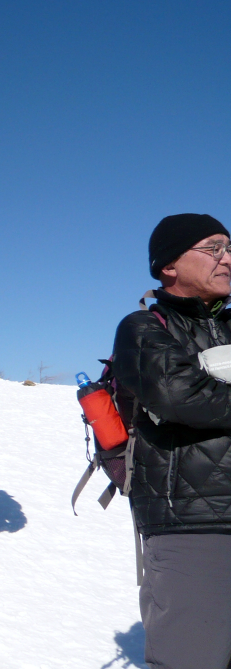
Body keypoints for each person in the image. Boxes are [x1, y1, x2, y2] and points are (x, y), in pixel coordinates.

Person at [112, 213, 231, 669]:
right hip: (194, 523)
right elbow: (181, 396)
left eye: (229, 247)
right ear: (168, 266)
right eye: (213, 247)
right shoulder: (143, 328)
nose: (226, 257)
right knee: (191, 657)